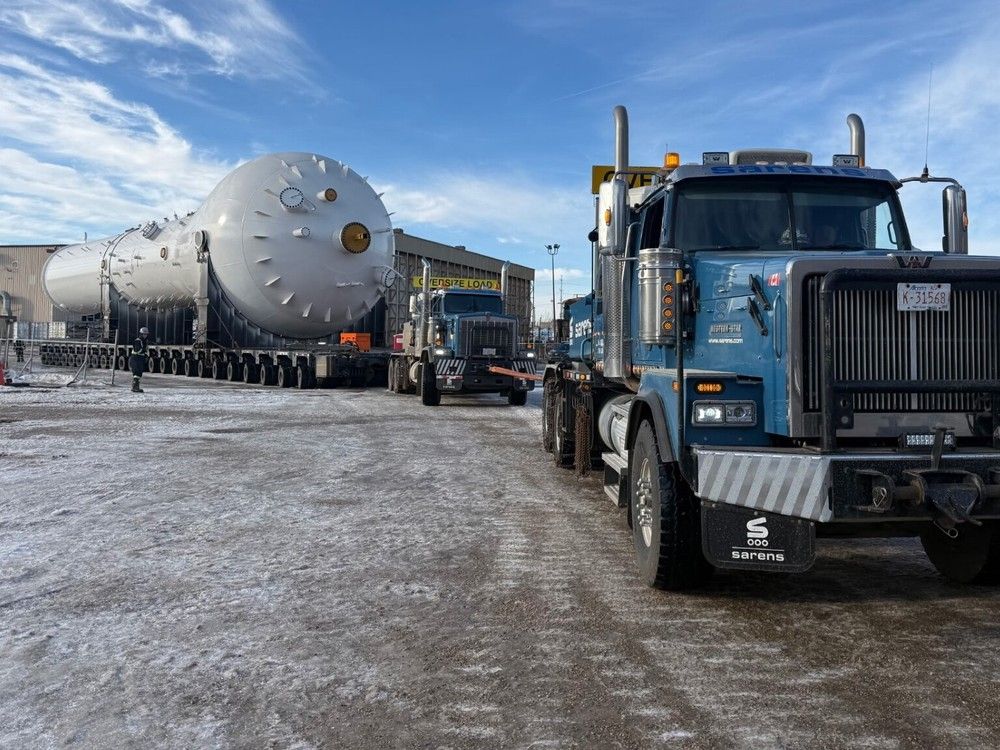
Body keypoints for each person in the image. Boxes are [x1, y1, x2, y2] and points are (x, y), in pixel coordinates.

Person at [129, 327, 150, 393]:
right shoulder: (138, 341)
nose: (145, 335)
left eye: (146, 334)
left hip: (140, 358)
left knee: (139, 373)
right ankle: (135, 387)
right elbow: (137, 350)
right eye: (144, 334)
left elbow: (145, 350)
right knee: (136, 373)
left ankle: (136, 387)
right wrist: (143, 350)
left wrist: (146, 355)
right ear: (141, 334)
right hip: (136, 358)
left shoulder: (144, 341)